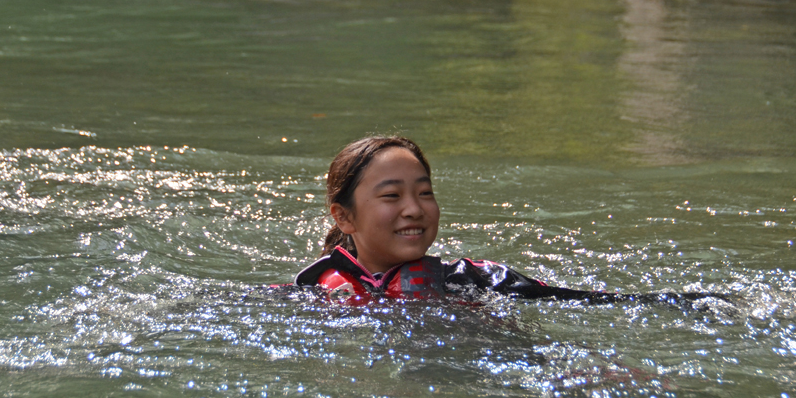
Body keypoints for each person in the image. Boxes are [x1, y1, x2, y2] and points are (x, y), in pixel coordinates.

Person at [291, 136, 727, 308]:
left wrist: (701, 302)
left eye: (425, 193)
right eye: (392, 196)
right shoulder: (313, 289)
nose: (415, 209)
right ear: (344, 216)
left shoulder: (476, 279)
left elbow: (585, 301)